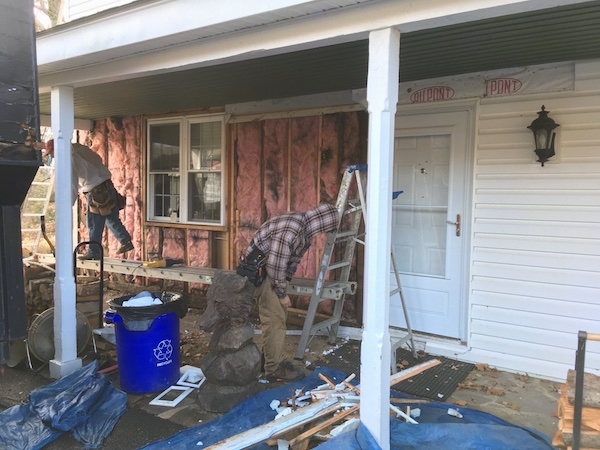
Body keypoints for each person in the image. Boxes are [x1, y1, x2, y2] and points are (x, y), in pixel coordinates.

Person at [241, 203, 340, 382]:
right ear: (322, 224)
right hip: (260, 272)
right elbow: (275, 265)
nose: (323, 233)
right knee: (275, 319)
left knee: (276, 318)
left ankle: (269, 358)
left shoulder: (304, 231)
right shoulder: (293, 228)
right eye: (326, 229)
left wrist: (285, 282)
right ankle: (274, 368)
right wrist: (281, 294)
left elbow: (292, 261)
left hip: (267, 272)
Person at [44, 139, 133, 260]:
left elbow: (72, 185)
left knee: (94, 222)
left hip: (97, 191)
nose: (53, 156)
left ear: (58, 149)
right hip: (107, 185)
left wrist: (67, 206)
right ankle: (125, 240)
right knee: (110, 217)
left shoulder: (70, 160)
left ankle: (93, 251)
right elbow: (98, 159)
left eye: (52, 153)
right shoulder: (79, 148)